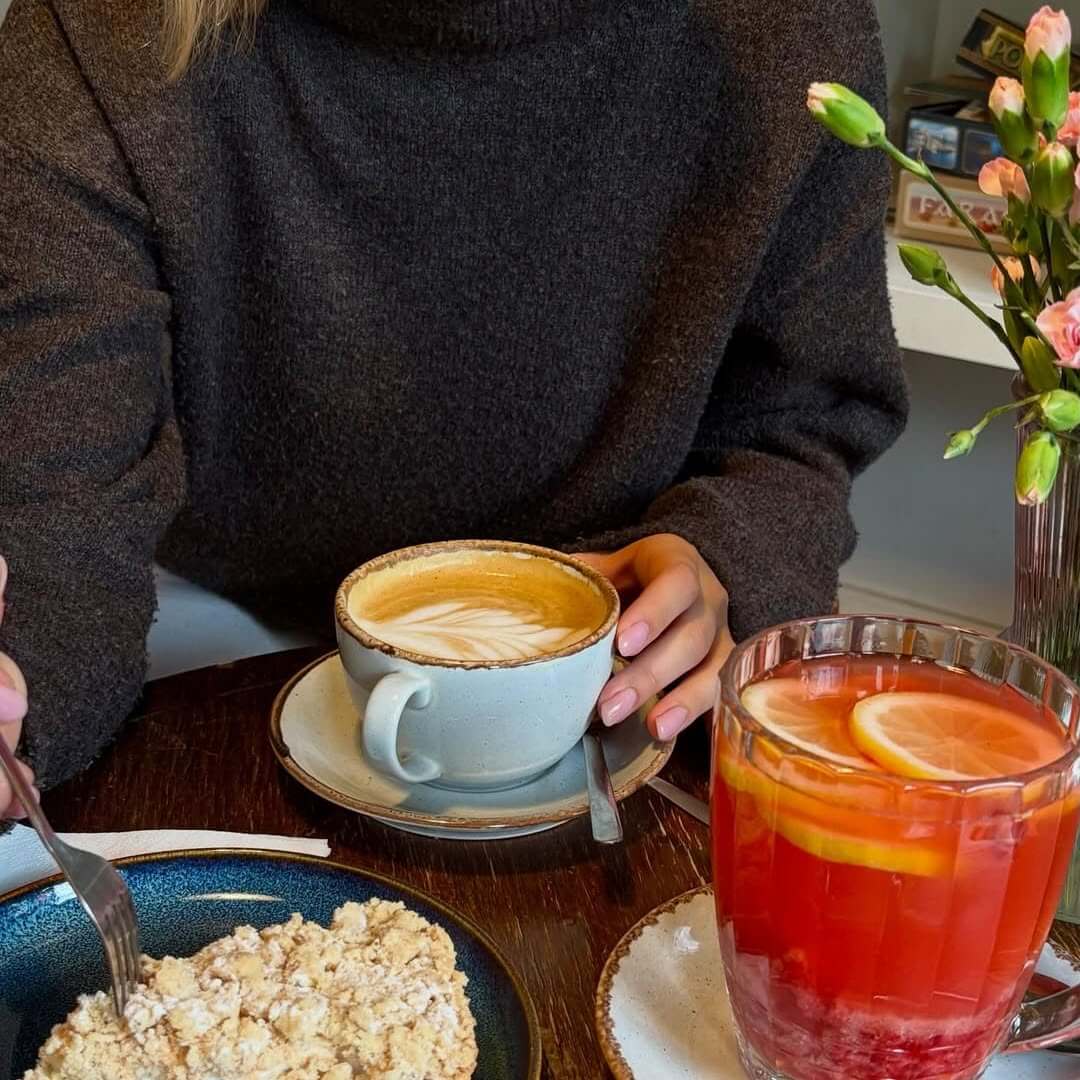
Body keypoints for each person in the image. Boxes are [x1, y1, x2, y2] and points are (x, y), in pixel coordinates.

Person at [0, 0, 907, 819]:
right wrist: (19, 696)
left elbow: (799, 416)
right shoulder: (99, 35)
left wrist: (726, 556)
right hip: (205, 641)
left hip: (621, 682)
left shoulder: (787, 38)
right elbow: (59, 488)